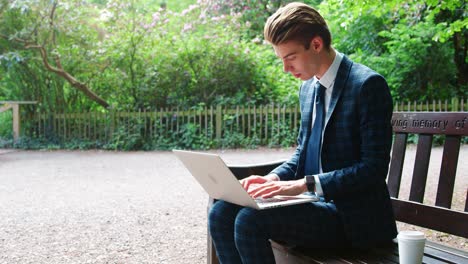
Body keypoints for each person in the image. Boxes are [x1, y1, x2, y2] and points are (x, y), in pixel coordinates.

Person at [208, 2, 397, 263]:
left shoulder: (367, 85)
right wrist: (272, 179)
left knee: (250, 221)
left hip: (353, 218)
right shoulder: (308, 88)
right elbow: (302, 153)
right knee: (220, 213)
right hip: (315, 207)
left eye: (290, 57)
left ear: (316, 44)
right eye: (281, 59)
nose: (286, 68)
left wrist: (303, 185)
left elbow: (373, 168)